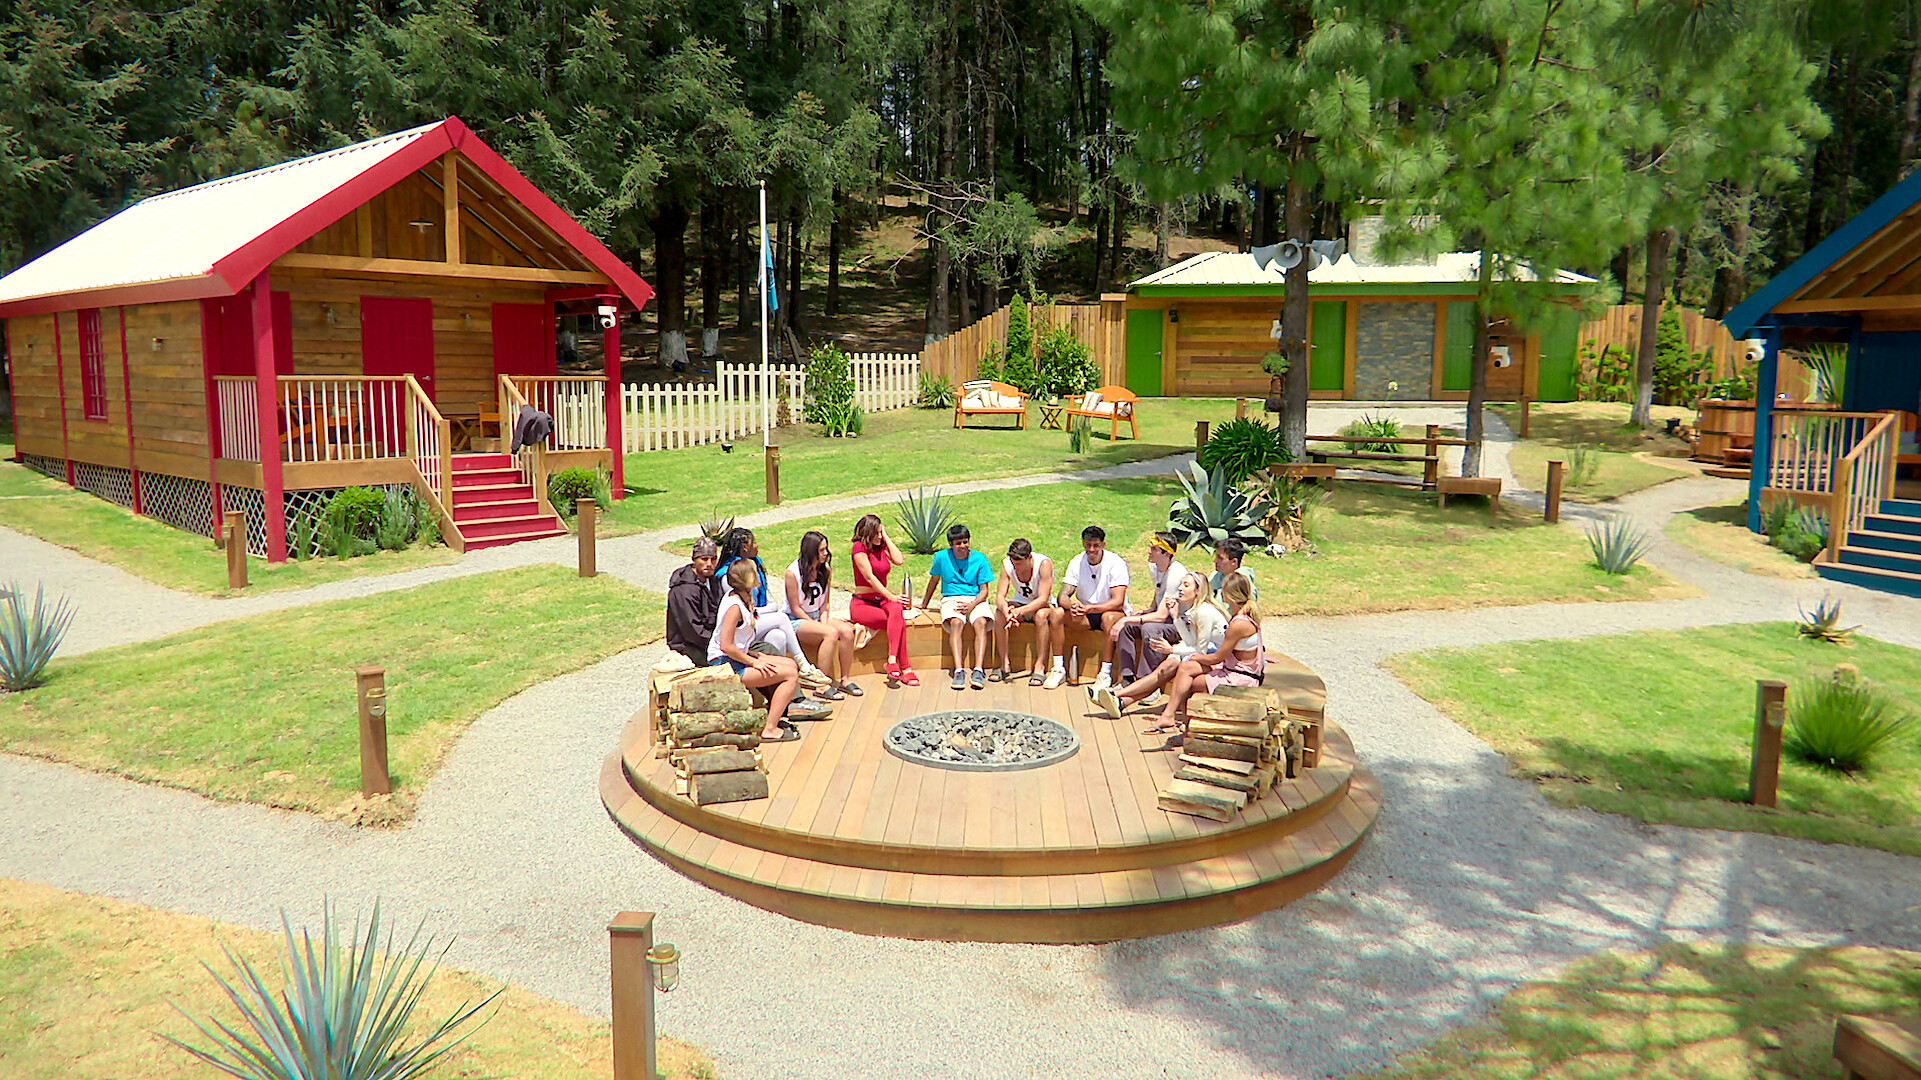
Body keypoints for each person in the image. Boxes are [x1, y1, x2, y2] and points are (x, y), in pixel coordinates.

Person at [1141, 572, 1265, 737]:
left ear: (1227, 595)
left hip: (1241, 677)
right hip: (1234, 669)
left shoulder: (1237, 623)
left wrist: (1192, 655)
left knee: (1189, 682)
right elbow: (1195, 643)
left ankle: (1182, 725)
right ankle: (1175, 721)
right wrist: (1176, 617)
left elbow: (1216, 657)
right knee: (1187, 668)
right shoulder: (1244, 616)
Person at [719, 526, 838, 698]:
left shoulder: (753, 566)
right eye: (754, 542)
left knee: (779, 638)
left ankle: (783, 698)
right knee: (782, 619)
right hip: (732, 655)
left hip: (751, 632)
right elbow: (727, 643)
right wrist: (753, 660)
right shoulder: (732, 587)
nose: (758, 545)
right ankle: (803, 672)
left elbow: (758, 608)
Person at [1089, 571, 1226, 719]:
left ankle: (1115, 694)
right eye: (1181, 584)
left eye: (1186, 585)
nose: (1180, 588)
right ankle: (1120, 702)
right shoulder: (1194, 610)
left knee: (1166, 669)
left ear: (1198, 591)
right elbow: (1191, 641)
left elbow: (1201, 650)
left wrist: (1171, 649)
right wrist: (1175, 617)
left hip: (1217, 658)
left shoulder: (1204, 612)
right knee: (1162, 671)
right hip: (1202, 653)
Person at [710, 560, 804, 742]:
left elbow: (737, 641)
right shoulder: (735, 608)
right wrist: (753, 661)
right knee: (790, 675)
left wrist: (752, 654)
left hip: (738, 658)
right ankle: (770, 728)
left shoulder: (743, 598)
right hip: (725, 664)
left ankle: (772, 714)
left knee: (791, 664)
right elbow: (725, 645)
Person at [782, 530, 864, 698]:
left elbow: (825, 604)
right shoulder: (792, 573)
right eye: (821, 550)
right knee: (830, 633)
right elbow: (795, 607)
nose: (826, 553)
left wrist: (823, 622)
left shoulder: (825, 569)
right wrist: (820, 626)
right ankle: (821, 685)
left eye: (826, 549)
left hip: (818, 616)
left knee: (847, 631)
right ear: (811, 551)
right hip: (796, 620)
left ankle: (845, 679)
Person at [919, 523, 996, 689]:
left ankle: (978, 669)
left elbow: (984, 591)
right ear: (951, 545)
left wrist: (972, 605)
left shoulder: (980, 558)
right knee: (956, 623)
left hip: (975, 598)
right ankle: (959, 670)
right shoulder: (941, 557)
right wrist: (924, 603)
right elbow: (934, 580)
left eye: (965, 542)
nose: (963, 546)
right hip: (951, 597)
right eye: (959, 543)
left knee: (981, 622)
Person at [1108, 532, 1188, 685]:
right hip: (1164, 617)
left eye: (1154, 549)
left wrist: (1126, 618)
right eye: (1150, 547)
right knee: (1128, 628)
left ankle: (1149, 684)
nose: (1149, 552)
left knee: (1150, 628)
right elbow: (1159, 591)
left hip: (1181, 624)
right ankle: (1127, 678)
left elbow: (1161, 617)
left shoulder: (1176, 574)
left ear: (1167, 554)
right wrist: (1150, 608)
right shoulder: (1154, 566)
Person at [849, 514, 919, 686]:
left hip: (881, 600)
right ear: (867, 533)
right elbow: (870, 578)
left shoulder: (881, 546)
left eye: (881, 532)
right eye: (877, 533)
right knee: (897, 621)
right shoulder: (859, 548)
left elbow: (899, 560)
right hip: (862, 602)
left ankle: (892, 660)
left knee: (896, 610)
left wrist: (886, 537)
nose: (880, 537)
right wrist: (891, 596)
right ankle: (907, 669)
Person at [1060, 525, 1130, 693]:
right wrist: (1072, 605)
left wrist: (1089, 608)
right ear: (1083, 543)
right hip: (1087, 613)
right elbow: (1062, 595)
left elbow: (1118, 601)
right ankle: (1058, 668)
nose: (1092, 549)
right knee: (1056, 614)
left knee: (1108, 618)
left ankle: (1105, 673)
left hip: (1111, 613)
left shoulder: (1116, 563)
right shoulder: (1076, 561)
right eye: (1088, 545)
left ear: (1103, 545)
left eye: (1096, 545)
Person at [996, 538, 1066, 688]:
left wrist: (1019, 611)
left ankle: (1040, 665)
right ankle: (1004, 663)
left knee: (1041, 615)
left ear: (1030, 558)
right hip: (1020, 602)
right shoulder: (1007, 565)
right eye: (1014, 563)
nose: (1017, 568)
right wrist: (1007, 610)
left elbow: (1043, 599)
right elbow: (1000, 596)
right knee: (999, 614)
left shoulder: (1044, 564)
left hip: (1042, 605)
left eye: (1020, 564)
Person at [665, 537, 724, 667]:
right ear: (694, 559)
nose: (709, 563)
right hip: (690, 648)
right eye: (704, 559)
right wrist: (722, 643)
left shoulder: (713, 581)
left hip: (712, 641)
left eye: (713, 559)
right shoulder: (684, 591)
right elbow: (694, 632)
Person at [1209, 537, 1259, 604]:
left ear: (1234, 562)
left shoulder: (1244, 585)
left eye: (1220, 558)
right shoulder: (1214, 576)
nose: (1215, 561)